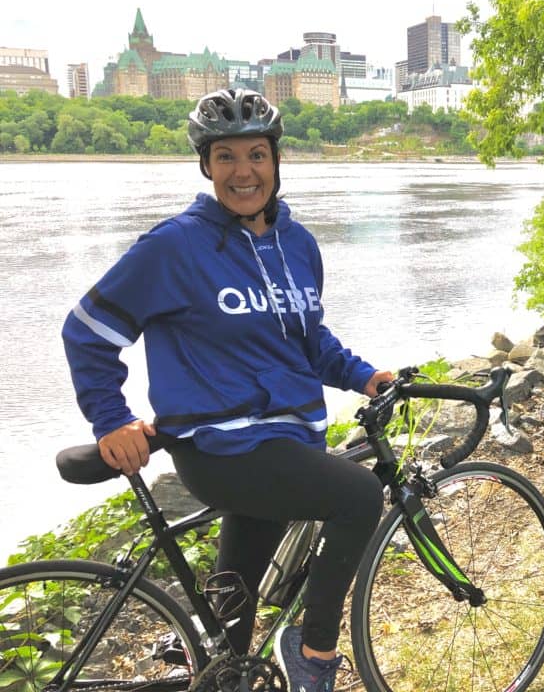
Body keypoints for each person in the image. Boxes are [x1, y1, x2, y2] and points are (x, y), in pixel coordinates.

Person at [62, 88, 391, 692]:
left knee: (229, 632)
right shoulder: (175, 246)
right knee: (359, 496)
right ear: (206, 166)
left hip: (283, 445)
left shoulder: (298, 245)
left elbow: (306, 339)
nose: (244, 171)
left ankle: (220, 675)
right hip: (222, 448)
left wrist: (365, 376)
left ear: (276, 160)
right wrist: (110, 417)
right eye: (227, 157)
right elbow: (85, 331)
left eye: (257, 154)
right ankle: (314, 657)